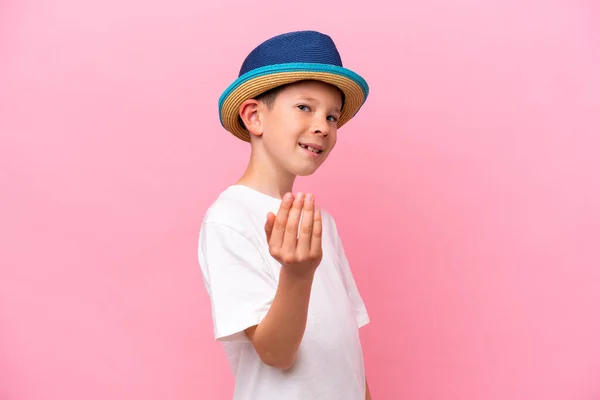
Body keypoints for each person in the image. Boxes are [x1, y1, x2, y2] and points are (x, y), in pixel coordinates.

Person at [197, 30, 372, 400]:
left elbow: (346, 348)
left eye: (333, 116)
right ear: (254, 116)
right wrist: (297, 273)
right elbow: (275, 353)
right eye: (305, 107)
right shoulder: (229, 218)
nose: (323, 126)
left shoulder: (320, 221)